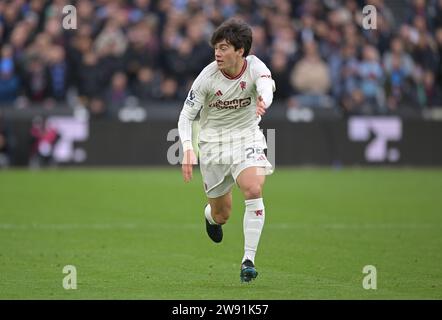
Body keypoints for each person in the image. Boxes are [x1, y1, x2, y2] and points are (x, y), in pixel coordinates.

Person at [177, 19, 275, 283]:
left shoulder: (255, 67)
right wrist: (187, 148)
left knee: (253, 189)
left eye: (223, 48)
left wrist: (264, 100)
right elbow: (186, 116)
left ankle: (248, 261)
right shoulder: (207, 77)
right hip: (213, 146)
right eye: (216, 48)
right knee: (222, 214)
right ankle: (210, 217)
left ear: (240, 50)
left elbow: (267, 86)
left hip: (247, 138)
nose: (217, 54)